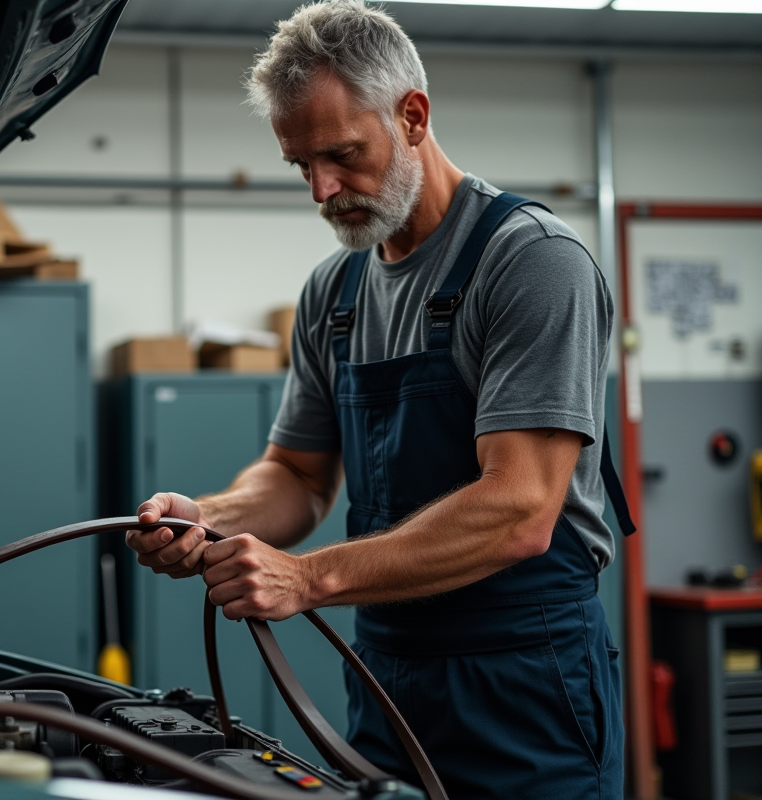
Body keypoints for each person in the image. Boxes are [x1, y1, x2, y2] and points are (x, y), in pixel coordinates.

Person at [125, 3, 634, 798]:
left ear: (413, 116)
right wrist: (212, 517)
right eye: (301, 165)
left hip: (525, 683)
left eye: (342, 155)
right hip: (388, 678)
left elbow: (521, 509)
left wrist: (308, 579)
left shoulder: (532, 264)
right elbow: (296, 475)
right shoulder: (336, 292)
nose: (323, 189)